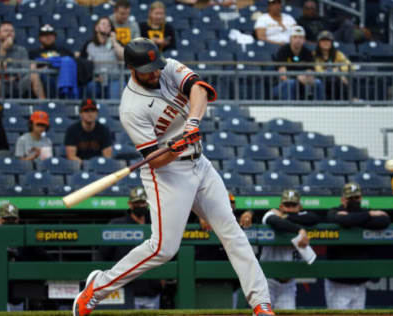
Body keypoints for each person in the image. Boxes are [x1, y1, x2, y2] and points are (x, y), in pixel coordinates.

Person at [72, 38, 274, 316]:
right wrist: (175, 145)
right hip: (167, 172)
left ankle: (261, 303)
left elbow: (200, 91)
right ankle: (98, 287)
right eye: (148, 69)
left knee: (232, 231)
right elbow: (156, 159)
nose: (155, 73)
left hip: (199, 163)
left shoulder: (167, 68)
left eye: (156, 66)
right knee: (163, 249)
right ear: (132, 69)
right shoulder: (131, 108)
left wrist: (192, 123)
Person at [326, 182, 390, 309]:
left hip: (359, 282)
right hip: (339, 282)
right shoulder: (335, 211)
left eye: (356, 198)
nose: (354, 201)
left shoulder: (364, 211)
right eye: (350, 198)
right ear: (343, 199)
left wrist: (355, 218)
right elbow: (343, 220)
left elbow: (384, 220)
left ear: (361, 198)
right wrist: (369, 215)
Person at [98, 187, 163, 309]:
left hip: (152, 291)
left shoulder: (155, 223)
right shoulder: (117, 225)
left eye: (143, 202)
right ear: (130, 204)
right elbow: (103, 255)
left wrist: (162, 280)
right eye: (137, 203)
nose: (141, 205)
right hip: (127, 291)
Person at [259, 189, 319, 309]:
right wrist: (300, 230)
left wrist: (286, 216)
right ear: (281, 205)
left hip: (288, 283)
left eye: (293, 205)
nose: (290, 208)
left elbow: (314, 218)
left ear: (299, 207)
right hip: (267, 281)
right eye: (287, 205)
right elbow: (275, 221)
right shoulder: (271, 214)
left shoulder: (300, 217)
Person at [0, 203, 54, 311]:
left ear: (17, 220)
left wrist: (19, 259)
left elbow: (46, 259)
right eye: (6, 219)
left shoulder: (24, 238)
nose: (10, 222)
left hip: (17, 297)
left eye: (13, 219)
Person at [0, 21, 45, 99]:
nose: (9, 33)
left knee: (34, 75)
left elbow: (25, 69)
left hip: (17, 82)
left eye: (11, 31)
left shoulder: (21, 50)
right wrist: (3, 50)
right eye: (6, 31)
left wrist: (15, 76)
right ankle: (0, 107)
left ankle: (44, 104)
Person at [273, 25, 323, 100]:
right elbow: (283, 75)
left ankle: (319, 108)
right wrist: (297, 77)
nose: (298, 40)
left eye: (300, 37)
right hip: (281, 85)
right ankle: (290, 108)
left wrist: (308, 77)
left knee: (317, 82)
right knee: (291, 83)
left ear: (304, 40)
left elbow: (310, 70)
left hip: (303, 82)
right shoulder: (283, 51)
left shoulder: (307, 52)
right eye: (295, 37)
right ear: (290, 39)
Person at [80, 17, 124, 99]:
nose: (106, 26)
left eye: (109, 25)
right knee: (90, 87)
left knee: (117, 91)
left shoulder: (116, 44)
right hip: (96, 80)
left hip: (114, 79)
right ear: (96, 28)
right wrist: (94, 78)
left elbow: (124, 57)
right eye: (103, 24)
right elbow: (82, 65)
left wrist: (114, 41)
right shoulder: (88, 45)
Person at [29, 24, 74, 98]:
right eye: (45, 35)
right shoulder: (33, 53)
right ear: (40, 38)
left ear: (55, 37)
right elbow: (31, 69)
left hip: (61, 78)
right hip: (44, 81)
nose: (48, 37)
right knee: (48, 79)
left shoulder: (64, 51)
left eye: (50, 35)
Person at [64, 99, 113, 163]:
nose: (90, 114)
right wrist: (86, 165)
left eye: (93, 111)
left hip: (99, 166)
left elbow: (107, 157)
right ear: (80, 113)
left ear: (97, 113)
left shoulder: (104, 130)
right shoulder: (72, 130)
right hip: (79, 168)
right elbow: (71, 157)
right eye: (86, 111)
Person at [313, 30, 352, 100]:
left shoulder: (337, 54)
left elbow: (349, 65)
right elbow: (317, 68)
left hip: (336, 80)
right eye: (323, 40)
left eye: (328, 41)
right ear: (318, 43)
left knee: (341, 79)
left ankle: (346, 102)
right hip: (320, 78)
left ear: (331, 42)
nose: (325, 43)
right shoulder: (314, 54)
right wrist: (330, 72)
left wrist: (339, 70)